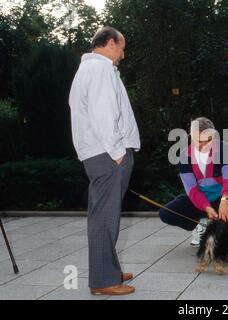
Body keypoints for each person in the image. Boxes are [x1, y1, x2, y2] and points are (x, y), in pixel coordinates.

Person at [69, 26, 140, 295]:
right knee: (104, 217)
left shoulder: (88, 69)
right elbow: (104, 114)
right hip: (107, 153)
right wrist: (118, 152)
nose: (123, 53)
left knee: (106, 215)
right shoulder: (99, 70)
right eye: (122, 47)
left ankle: (108, 269)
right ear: (110, 43)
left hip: (101, 153)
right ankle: (103, 281)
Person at [159, 117, 228, 244]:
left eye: (208, 141)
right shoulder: (185, 156)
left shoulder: (225, 150)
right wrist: (206, 207)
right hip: (199, 200)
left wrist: (225, 200)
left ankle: (225, 225)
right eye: (198, 141)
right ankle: (199, 224)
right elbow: (192, 190)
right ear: (192, 137)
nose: (203, 146)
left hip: (221, 197)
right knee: (166, 213)